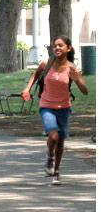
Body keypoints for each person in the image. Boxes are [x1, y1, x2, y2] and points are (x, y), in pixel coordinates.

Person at [22, 35, 88, 185]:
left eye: (60, 45)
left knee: (60, 141)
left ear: (68, 49)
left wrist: (77, 79)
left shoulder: (73, 69)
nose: (57, 48)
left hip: (64, 108)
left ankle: (56, 172)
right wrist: (27, 89)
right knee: (53, 136)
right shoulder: (47, 63)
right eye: (55, 46)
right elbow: (36, 74)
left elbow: (85, 91)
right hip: (46, 106)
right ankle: (49, 157)